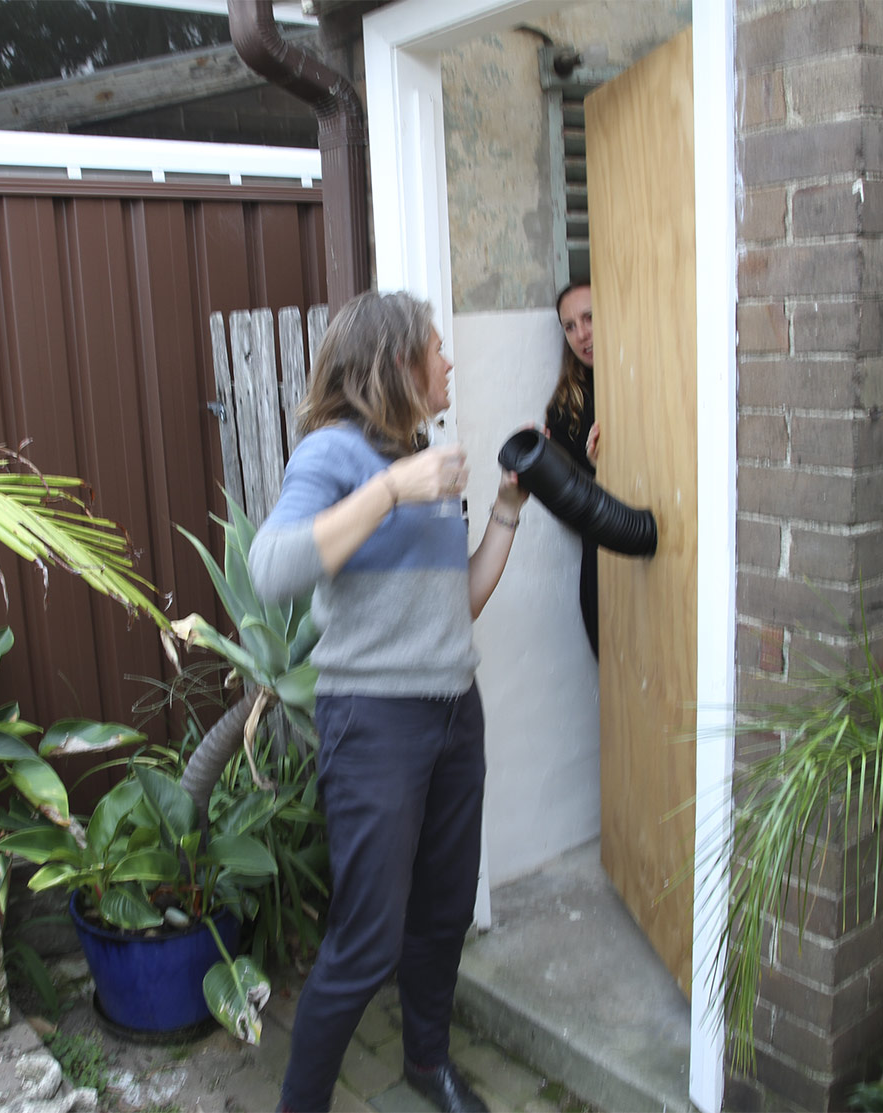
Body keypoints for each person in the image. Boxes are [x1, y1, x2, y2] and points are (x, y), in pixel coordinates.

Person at [248, 290, 528, 1113]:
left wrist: (506, 513)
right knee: (366, 940)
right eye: (438, 349)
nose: (450, 362)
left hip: (452, 712)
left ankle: (425, 1063)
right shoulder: (332, 455)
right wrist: (392, 489)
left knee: (442, 913)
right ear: (398, 363)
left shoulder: (423, 454)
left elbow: (457, 603)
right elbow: (271, 572)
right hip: (373, 723)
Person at [545, 281, 600, 657]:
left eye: (590, 318)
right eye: (569, 326)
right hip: (603, 570)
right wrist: (599, 473)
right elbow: (569, 512)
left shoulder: (651, 382)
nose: (581, 334)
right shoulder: (565, 408)